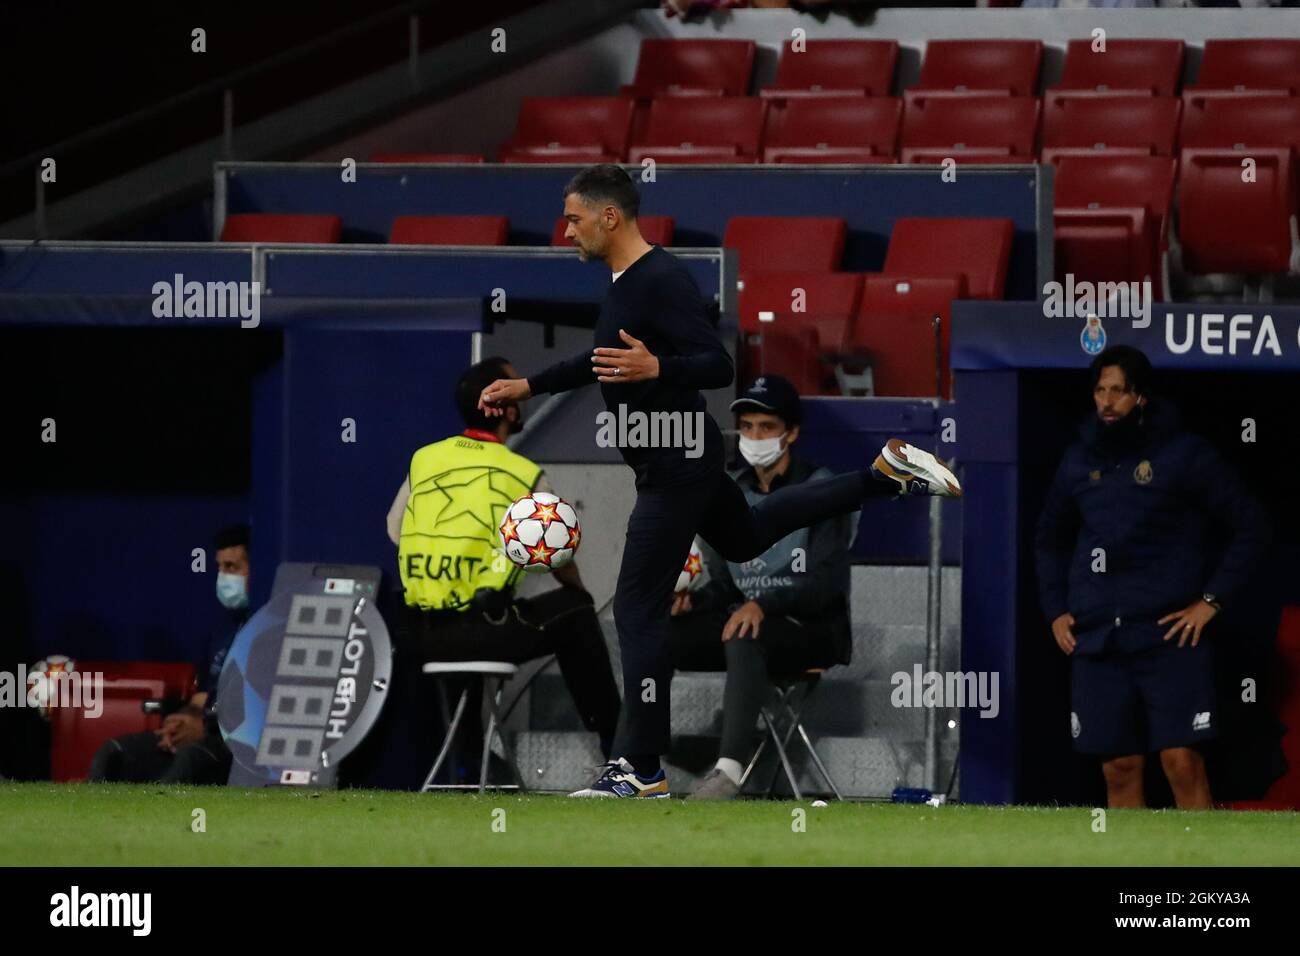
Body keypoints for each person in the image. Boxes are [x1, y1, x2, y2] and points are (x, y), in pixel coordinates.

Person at [478, 164, 960, 798]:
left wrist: (660, 366)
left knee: (634, 608)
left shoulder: (663, 278)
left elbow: (717, 363)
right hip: (676, 459)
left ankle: (640, 769)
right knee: (749, 532)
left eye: (573, 218)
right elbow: (599, 363)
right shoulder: (627, 283)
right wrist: (530, 386)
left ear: (609, 216)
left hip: (673, 465)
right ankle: (880, 476)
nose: (564, 230)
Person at [1035, 346, 1269, 809]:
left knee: (1181, 761)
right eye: (1100, 391)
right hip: (1099, 637)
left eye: (1118, 391)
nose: (1106, 401)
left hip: (1169, 635)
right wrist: (1056, 610)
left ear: (1141, 397)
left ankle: (1200, 873)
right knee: (1118, 768)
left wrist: (1212, 600)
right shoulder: (1079, 460)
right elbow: (1049, 539)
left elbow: (1250, 526)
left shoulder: (1184, 454)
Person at [387, 356, 621, 771]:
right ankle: (619, 751)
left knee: (472, 613)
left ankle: (470, 763)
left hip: (416, 632)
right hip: (482, 629)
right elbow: (556, 554)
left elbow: (395, 531)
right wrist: (576, 588)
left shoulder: (426, 460)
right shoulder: (522, 473)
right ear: (506, 407)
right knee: (577, 611)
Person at [670, 375, 855, 800]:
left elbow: (825, 585)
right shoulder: (728, 493)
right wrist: (692, 601)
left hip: (811, 630)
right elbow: (722, 584)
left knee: (745, 632)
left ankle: (728, 773)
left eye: (767, 427)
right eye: (748, 427)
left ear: (791, 433)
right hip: (746, 619)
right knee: (659, 633)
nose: (754, 437)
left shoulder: (823, 490)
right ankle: (639, 759)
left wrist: (763, 604)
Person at [89, 524, 251, 784]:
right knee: (112, 755)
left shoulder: (270, 628)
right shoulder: (222, 629)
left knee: (188, 760)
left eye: (232, 567)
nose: (223, 577)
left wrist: (206, 727)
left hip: (237, 746)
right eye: (219, 568)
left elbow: (262, 708)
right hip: (201, 732)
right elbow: (201, 698)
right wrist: (181, 722)